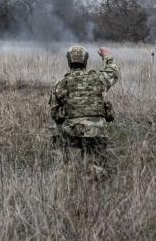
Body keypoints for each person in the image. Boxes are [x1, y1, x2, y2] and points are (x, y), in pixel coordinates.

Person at [49, 46, 120, 176]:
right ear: (85, 61)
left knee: (54, 132)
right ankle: (95, 170)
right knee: (95, 161)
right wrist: (107, 56)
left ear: (69, 61)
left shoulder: (61, 83)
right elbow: (113, 72)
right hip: (96, 133)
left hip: (71, 133)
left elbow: (54, 114)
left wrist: (65, 113)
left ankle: (63, 168)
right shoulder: (99, 78)